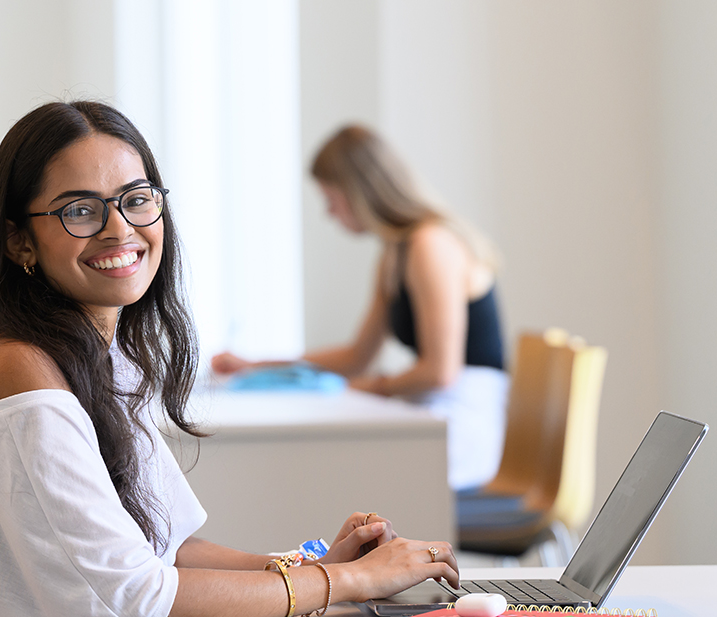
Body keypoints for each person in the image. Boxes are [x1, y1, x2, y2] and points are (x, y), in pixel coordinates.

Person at [0, 102, 459, 617]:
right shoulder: (16, 370)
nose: (119, 228)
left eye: (137, 198)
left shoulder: (101, 358)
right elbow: (140, 599)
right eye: (80, 210)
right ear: (21, 240)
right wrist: (348, 583)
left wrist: (309, 566)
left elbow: (167, 548)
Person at [211, 124, 509, 492]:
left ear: (357, 193)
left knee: (340, 478)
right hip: (437, 411)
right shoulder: (396, 253)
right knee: (336, 474)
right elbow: (356, 356)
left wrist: (366, 388)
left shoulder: (430, 245)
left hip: (464, 425)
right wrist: (256, 366)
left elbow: (440, 372)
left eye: (331, 199)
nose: (330, 213)